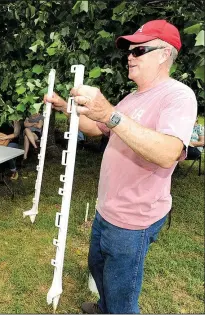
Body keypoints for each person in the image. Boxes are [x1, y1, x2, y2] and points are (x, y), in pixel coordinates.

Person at [46, 20, 197, 314]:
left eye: (139, 49)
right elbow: (97, 128)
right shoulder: (132, 98)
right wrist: (66, 107)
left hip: (133, 219)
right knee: (98, 267)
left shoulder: (178, 96)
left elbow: (169, 152)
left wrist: (111, 113)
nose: (130, 55)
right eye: (129, 49)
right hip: (108, 209)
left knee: (121, 292)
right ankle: (104, 308)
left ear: (164, 54)